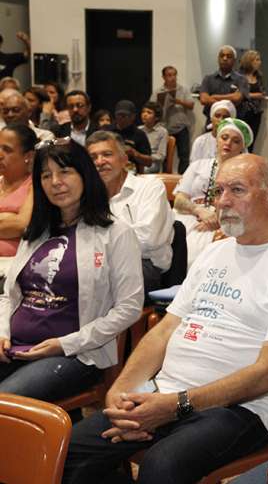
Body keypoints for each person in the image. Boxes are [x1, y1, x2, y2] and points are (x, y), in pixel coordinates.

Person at [61, 154, 268, 484]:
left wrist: (173, 406)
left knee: (162, 465)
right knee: (71, 449)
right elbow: (164, 332)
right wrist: (123, 391)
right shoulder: (215, 253)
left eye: (237, 190)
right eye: (219, 191)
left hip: (241, 409)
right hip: (165, 392)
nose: (223, 202)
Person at [0, 139, 144, 401]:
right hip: (13, 346)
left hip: (74, 355)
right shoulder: (36, 232)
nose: (55, 182)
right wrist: (2, 332)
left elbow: (129, 308)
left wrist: (65, 344)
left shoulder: (115, 233)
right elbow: (10, 295)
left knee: (5, 403)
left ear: (85, 175)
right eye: (46, 175)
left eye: (65, 171)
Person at [87, 131, 174, 292]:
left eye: (107, 154)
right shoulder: (88, 197)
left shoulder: (149, 188)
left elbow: (149, 239)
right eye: (93, 157)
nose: (99, 162)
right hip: (97, 265)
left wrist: (100, 243)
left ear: (124, 159)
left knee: (93, 288)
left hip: (143, 266)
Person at [174, 117, 252, 266]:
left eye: (235, 141)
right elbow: (179, 200)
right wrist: (200, 211)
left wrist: (217, 218)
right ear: (217, 140)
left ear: (242, 147)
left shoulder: (245, 174)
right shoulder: (198, 165)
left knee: (195, 258)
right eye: (224, 137)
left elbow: (245, 208)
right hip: (188, 217)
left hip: (221, 224)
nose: (228, 143)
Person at [0, 125, 35, 262]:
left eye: (7, 150)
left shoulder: (36, 185)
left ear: (28, 156)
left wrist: (13, 223)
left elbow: (22, 225)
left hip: (14, 267)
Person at [151, 65, 194, 174]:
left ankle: (183, 179)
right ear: (163, 77)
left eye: (174, 75)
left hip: (181, 127)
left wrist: (178, 102)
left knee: (184, 156)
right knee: (165, 156)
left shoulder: (183, 89)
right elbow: (151, 107)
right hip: (164, 128)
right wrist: (161, 104)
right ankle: (166, 177)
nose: (173, 77)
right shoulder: (158, 91)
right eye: (169, 75)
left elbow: (191, 105)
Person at [199, 45, 248, 123]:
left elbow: (237, 98)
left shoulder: (241, 79)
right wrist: (228, 102)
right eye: (222, 56)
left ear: (234, 60)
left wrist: (214, 96)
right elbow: (204, 99)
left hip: (233, 123)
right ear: (218, 59)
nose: (225, 58)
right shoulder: (208, 78)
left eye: (229, 56)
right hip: (211, 123)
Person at [112, 99, 152, 173]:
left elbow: (149, 162)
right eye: (118, 115)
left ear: (133, 117)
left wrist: (134, 153)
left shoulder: (139, 134)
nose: (121, 118)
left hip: (130, 172)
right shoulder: (107, 131)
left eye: (124, 116)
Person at [238, 50, 265, 150]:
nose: (259, 62)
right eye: (257, 60)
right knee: (240, 140)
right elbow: (241, 94)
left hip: (255, 113)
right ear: (249, 61)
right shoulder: (239, 76)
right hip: (242, 112)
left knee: (251, 142)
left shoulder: (259, 76)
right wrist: (254, 95)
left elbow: (262, 93)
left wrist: (251, 95)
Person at [139, 101, 169, 174]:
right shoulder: (138, 129)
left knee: (140, 170)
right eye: (143, 112)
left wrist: (144, 157)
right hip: (138, 160)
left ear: (156, 117)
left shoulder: (162, 132)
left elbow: (161, 156)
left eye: (149, 112)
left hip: (152, 163)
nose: (144, 114)